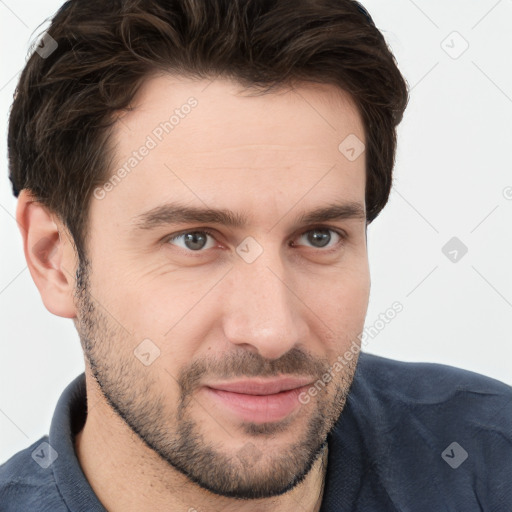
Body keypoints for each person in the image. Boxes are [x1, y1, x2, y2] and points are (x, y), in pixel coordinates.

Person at [1, 0, 511, 510]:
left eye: (318, 236)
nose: (273, 332)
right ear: (54, 258)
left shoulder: (490, 459)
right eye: (195, 240)